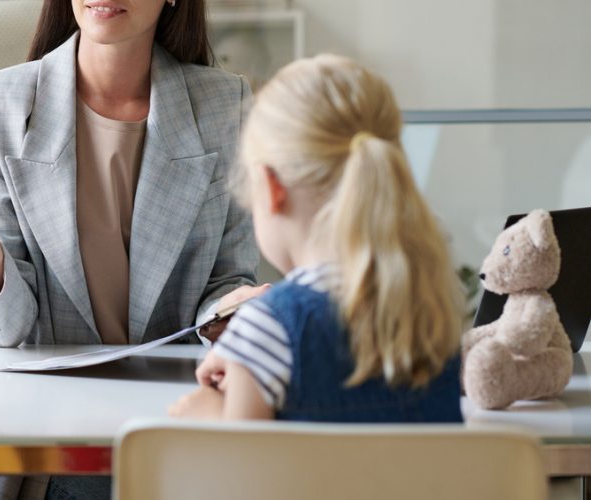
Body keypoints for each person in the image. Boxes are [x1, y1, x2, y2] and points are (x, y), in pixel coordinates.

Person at [0, 0, 264, 500]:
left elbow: (224, 281)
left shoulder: (224, 105)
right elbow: (11, 331)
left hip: (168, 415)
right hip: (39, 432)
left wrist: (241, 312)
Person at [170, 54, 464, 423]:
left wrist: (209, 415)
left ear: (272, 187)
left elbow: (242, 477)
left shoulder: (269, 325)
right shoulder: (432, 309)